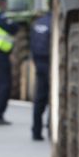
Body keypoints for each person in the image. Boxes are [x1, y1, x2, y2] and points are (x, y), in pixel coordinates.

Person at [29, 12, 51, 141]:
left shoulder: (37, 23)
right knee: (51, 97)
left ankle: (36, 131)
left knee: (40, 98)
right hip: (49, 62)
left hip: (39, 63)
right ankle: (50, 128)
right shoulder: (53, 22)